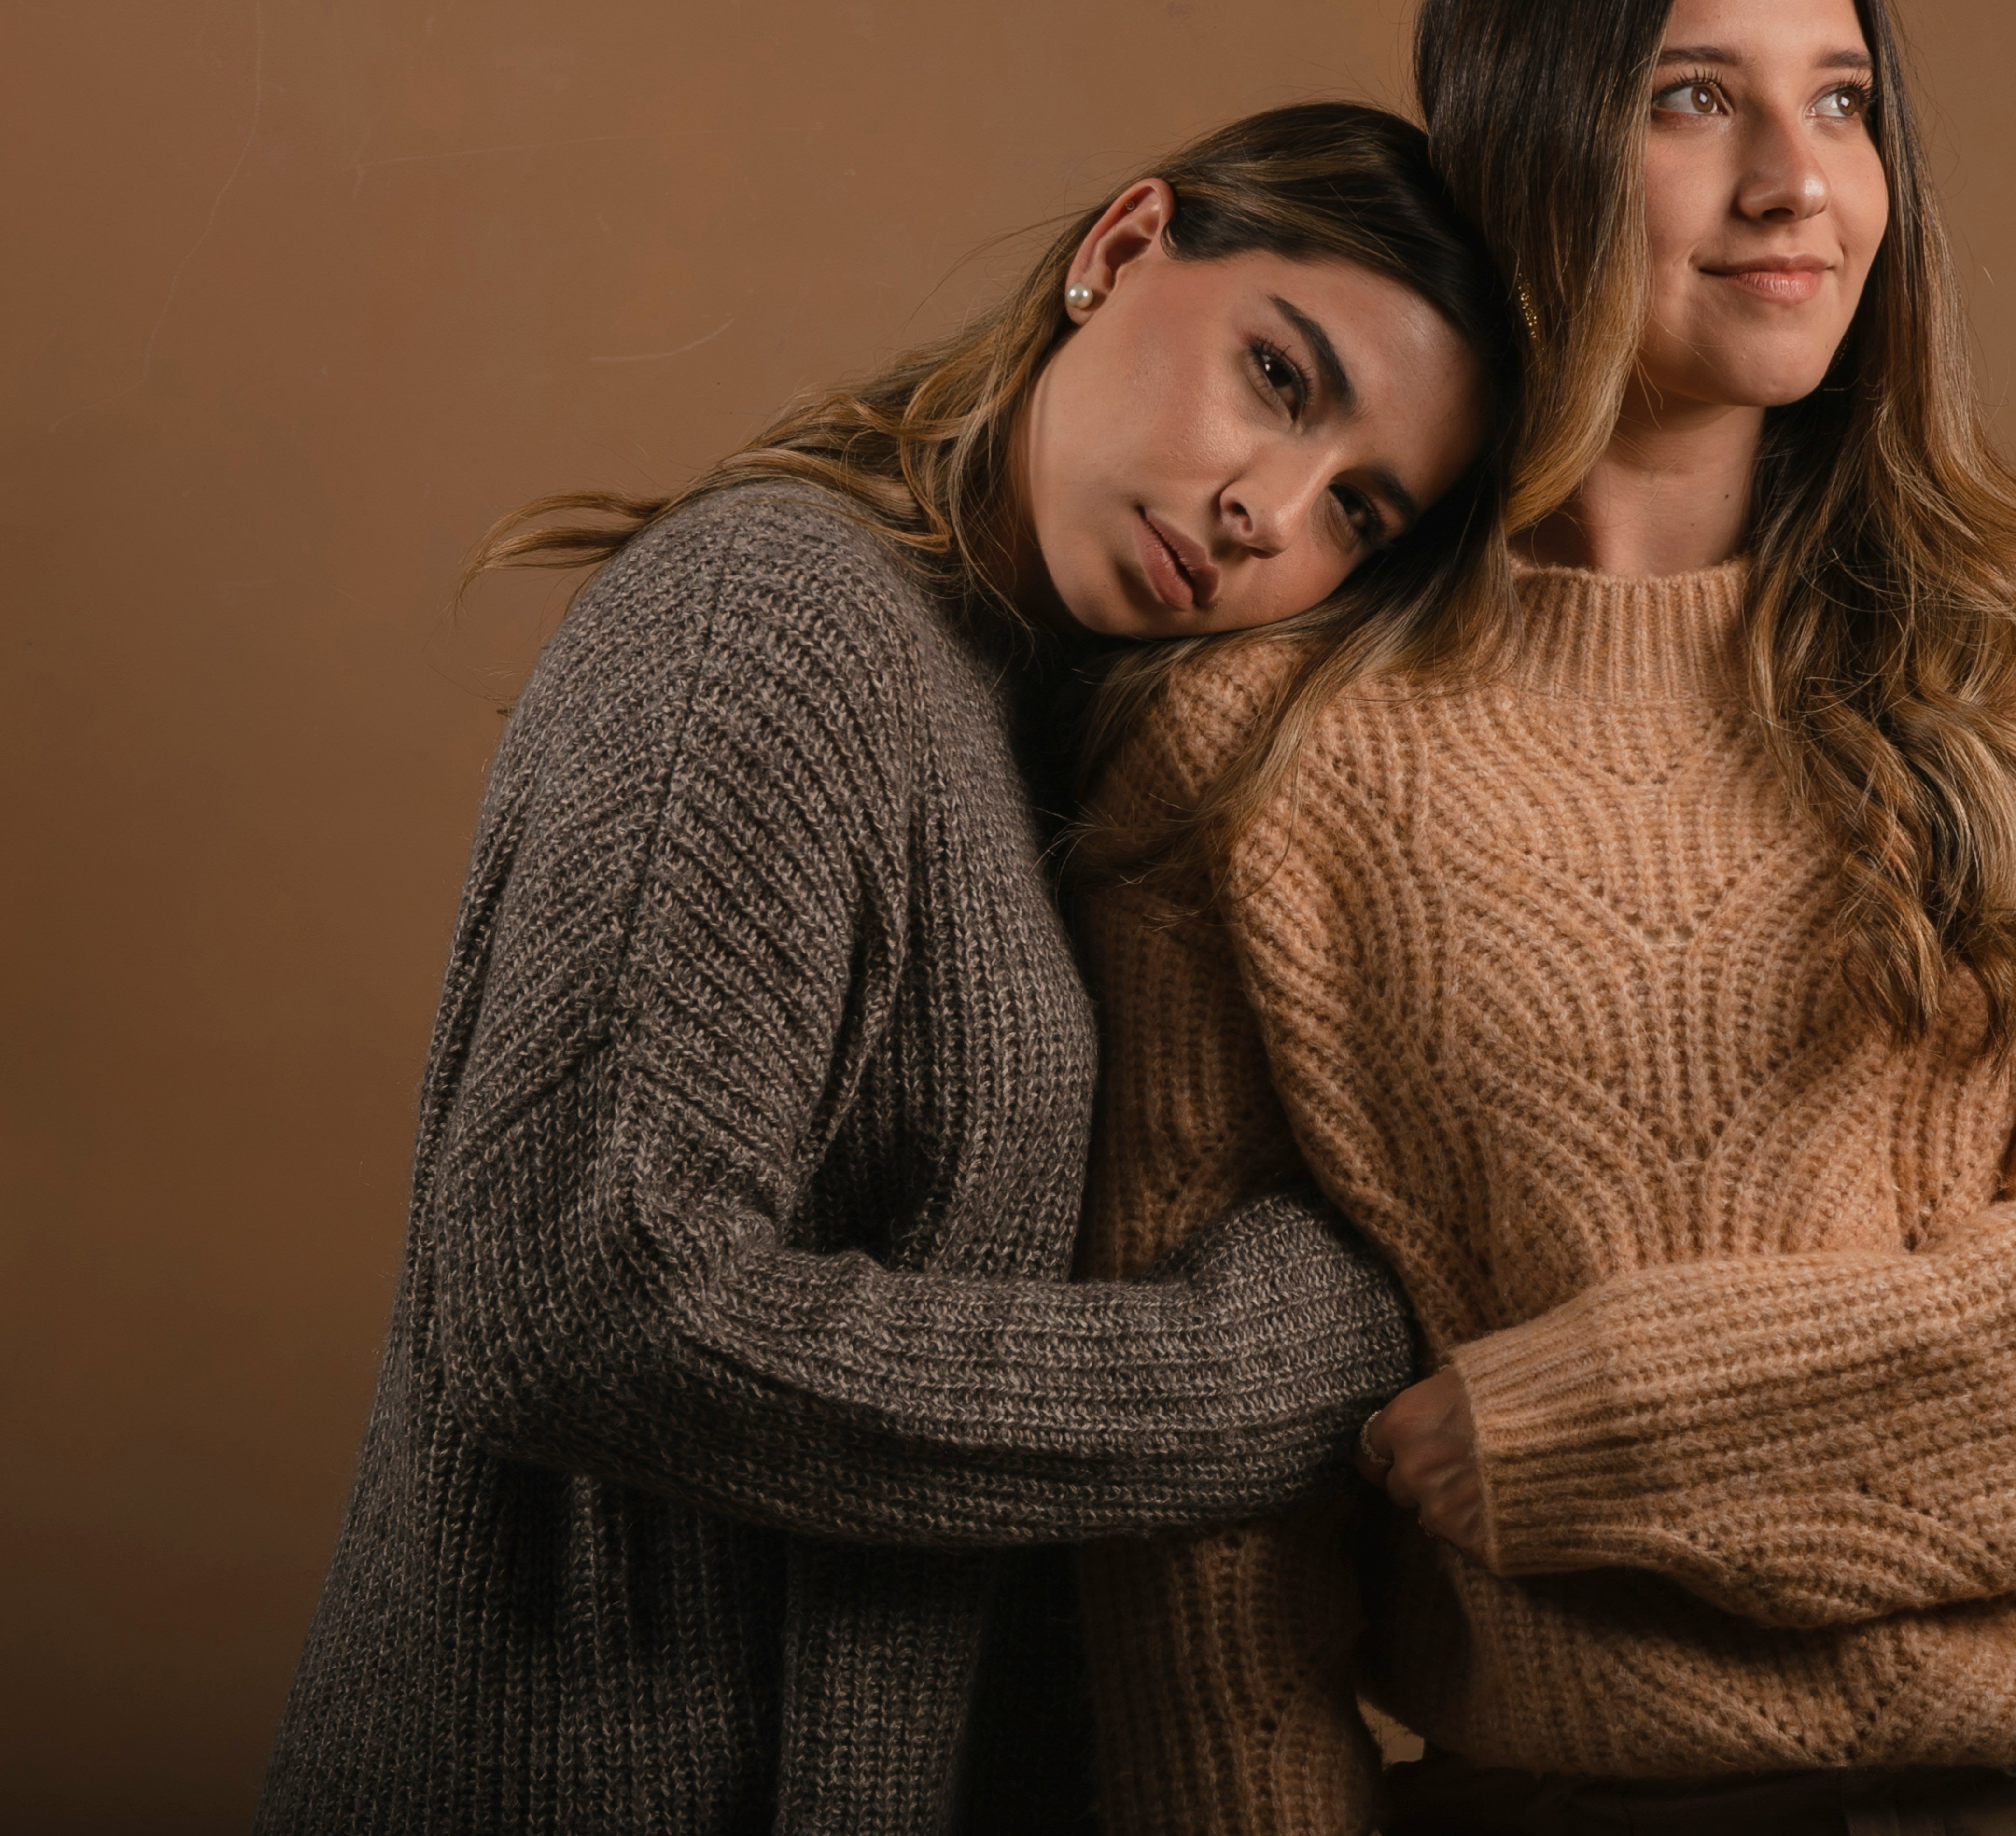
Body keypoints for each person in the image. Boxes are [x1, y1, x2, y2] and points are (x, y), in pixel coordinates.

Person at [1073, 0, 2016, 1836]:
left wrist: (1590, 1424)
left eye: (1839, 104)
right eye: (1695, 99)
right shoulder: (1263, 759)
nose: (1798, 185)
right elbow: (1201, 1549)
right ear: (1521, 144)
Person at [254, 100, 1516, 1836]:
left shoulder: (1048, 717)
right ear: (1124, 248)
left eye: (1357, 514)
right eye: (1280, 381)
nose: (1262, 512)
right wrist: (1267, 1370)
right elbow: (580, 1305)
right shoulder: (773, 619)